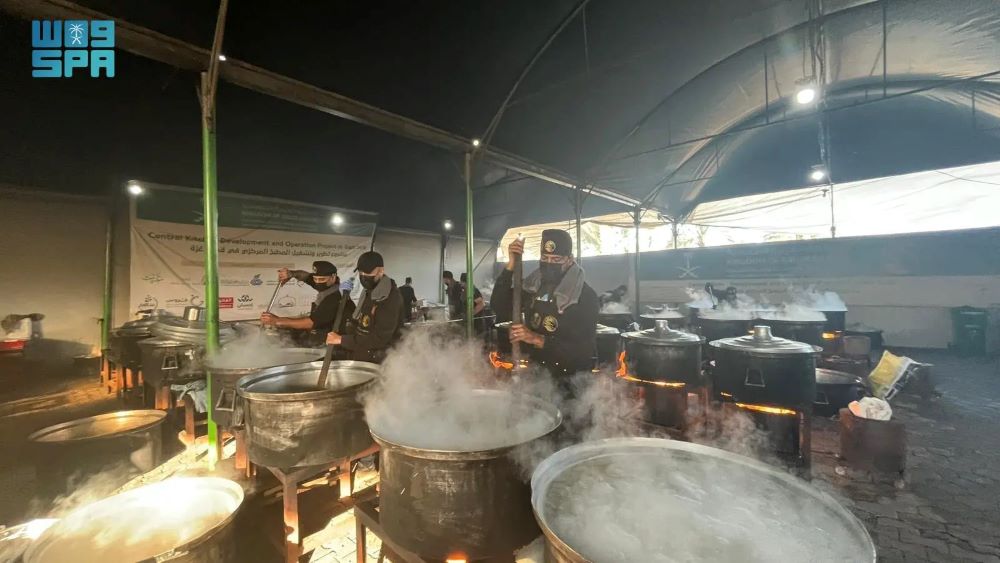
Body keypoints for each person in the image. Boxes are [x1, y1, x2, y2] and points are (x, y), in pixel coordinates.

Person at [492, 229, 599, 383]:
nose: (549, 264)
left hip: (572, 379)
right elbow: (499, 305)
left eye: (556, 259)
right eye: (544, 258)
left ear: (569, 259)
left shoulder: (585, 296)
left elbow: (583, 351)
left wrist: (537, 339)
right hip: (537, 373)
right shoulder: (533, 286)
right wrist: (511, 265)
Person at [326, 251, 404, 363]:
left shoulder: (390, 298)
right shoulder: (369, 291)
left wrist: (341, 340)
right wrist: (346, 300)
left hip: (382, 360)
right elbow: (360, 319)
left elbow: (379, 339)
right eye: (361, 272)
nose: (363, 276)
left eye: (368, 273)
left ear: (381, 271)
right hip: (364, 353)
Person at [261, 260, 354, 346]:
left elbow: (310, 323)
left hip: (335, 342)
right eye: (315, 279)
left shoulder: (334, 297)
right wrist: (291, 274)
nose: (317, 282)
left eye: (321, 279)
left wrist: (277, 321)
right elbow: (306, 277)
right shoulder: (327, 284)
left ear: (333, 277)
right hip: (323, 333)